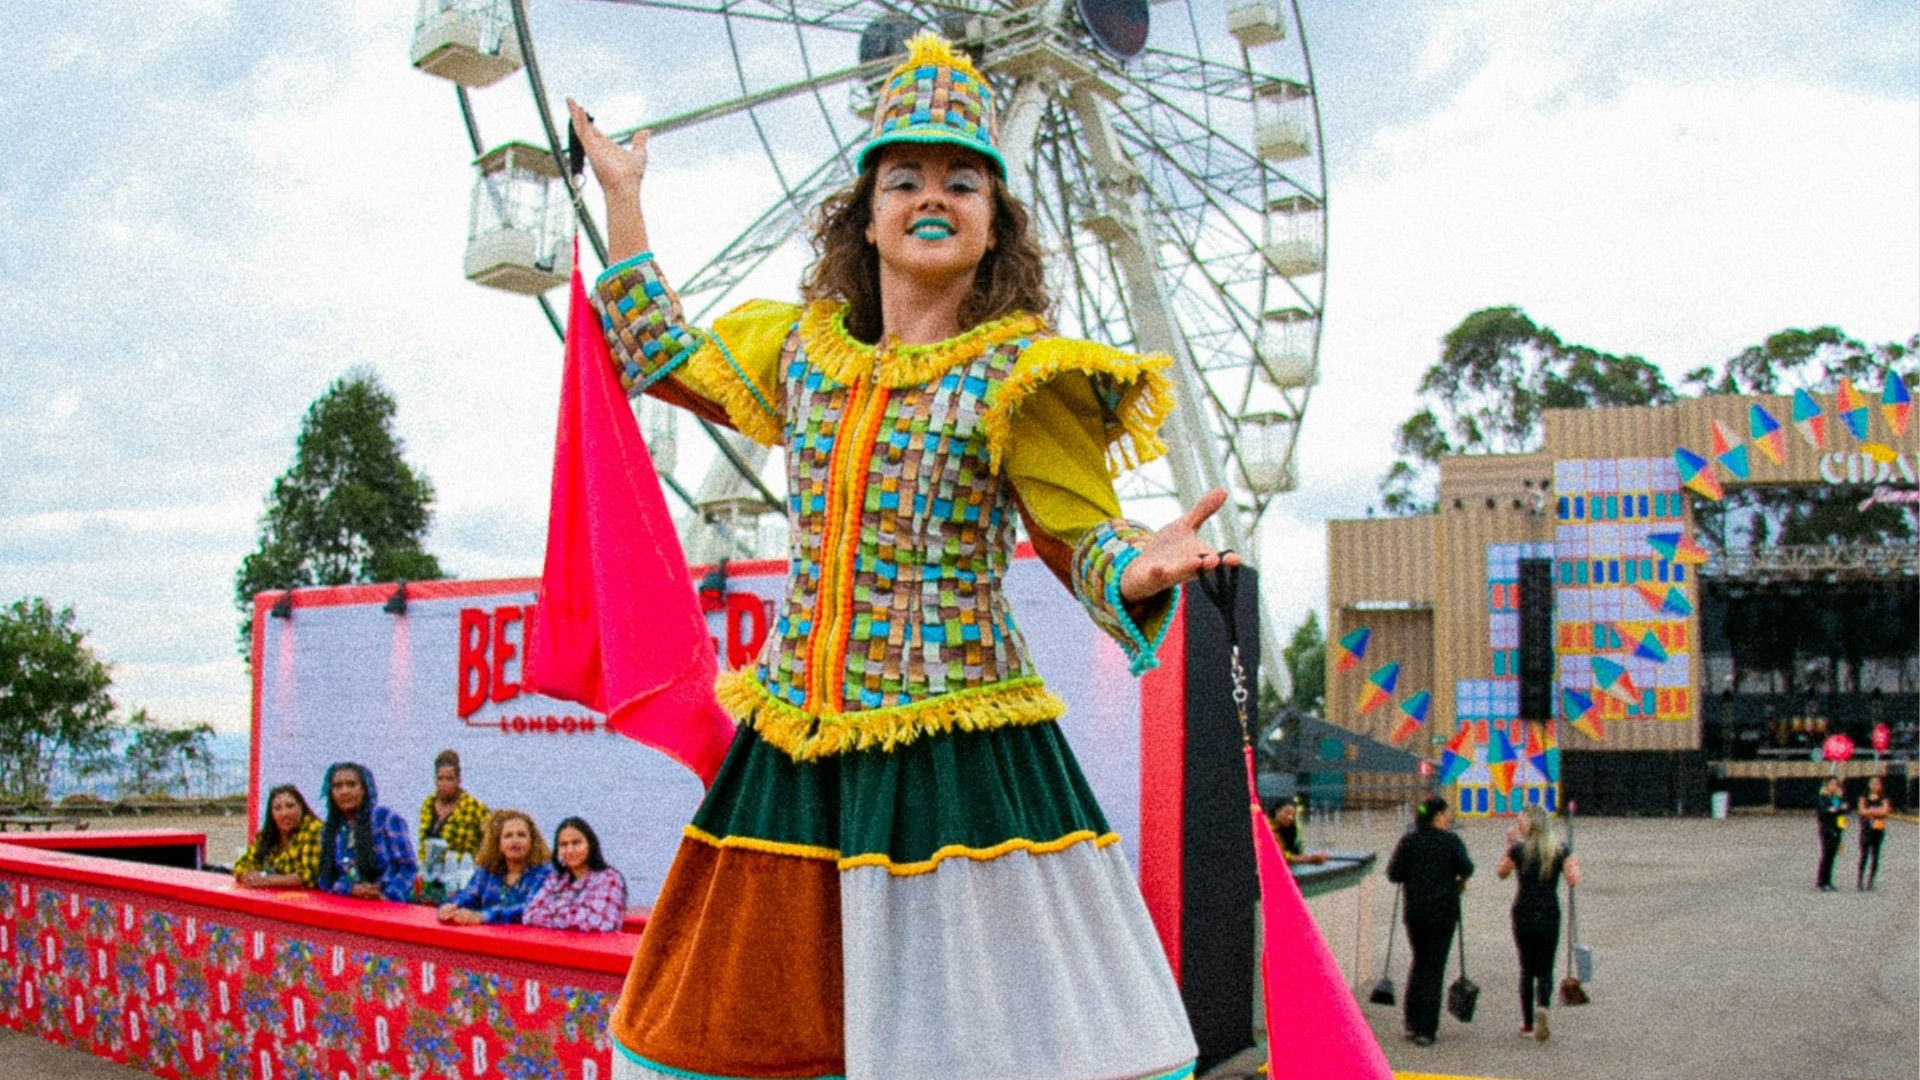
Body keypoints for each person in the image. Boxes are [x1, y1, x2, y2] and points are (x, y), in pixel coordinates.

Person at [566, 31, 1232, 1080]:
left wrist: (1134, 571)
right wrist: (624, 198)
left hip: (958, 754)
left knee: (976, 1039)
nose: (935, 197)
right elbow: (659, 354)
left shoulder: (1022, 373)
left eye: (963, 182)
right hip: (800, 752)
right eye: (907, 178)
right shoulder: (803, 355)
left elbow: (1078, 533)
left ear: (992, 226)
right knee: (755, 1029)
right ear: (867, 218)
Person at [1386, 795, 1474, 1047]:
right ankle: (1427, 1028)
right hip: (1443, 912)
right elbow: (1467, 867)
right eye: (1446, 815)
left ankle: (1412, 1021)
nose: (1449, 819)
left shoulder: (1409, 841)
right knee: (1434, 969)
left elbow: (1394, 874)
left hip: (1414, 913)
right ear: (1437, 817)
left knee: (1419, 963)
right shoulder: (1451, 842)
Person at [1496, 805, 1581, 1042]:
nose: (1519, 825)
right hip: (1549, 911)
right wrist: (1573, 863)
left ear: (1532, 824)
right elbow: (1573, 880)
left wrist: (1508, 846)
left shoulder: (1518, 850)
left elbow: (1501, 873)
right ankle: (1543, 1004)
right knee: (1545, 965)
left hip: (1523, 910)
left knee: (1526, 967)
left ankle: (1527, 1023)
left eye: (1521, 821)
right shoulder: (1559, 850)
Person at [316, 762, 418, 903]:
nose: (344, 791)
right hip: (348, 906)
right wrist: (350, 889)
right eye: (338, 786)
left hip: (390, 906)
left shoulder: (385, 818)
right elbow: (325, 879)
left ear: (364, 790)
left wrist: (386, 896)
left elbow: (408, 868)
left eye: (351, 785)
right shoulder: (329, 830)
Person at [437, 809, 553, 926]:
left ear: (532, 841)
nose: (515, 840)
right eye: (508, 836)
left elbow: (530, 908)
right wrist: (452, 906)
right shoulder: (487, 870)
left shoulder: (545, 873)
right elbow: (469, 895)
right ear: (498, 843)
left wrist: (483, 916)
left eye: (521, 835)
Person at [524, 816, 629, 933]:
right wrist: (576, 913)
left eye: (576, 843)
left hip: (595, 949)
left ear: (590, 844)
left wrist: (553, 909)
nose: (570, 850)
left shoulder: (609, 879)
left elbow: (598, 923)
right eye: (564, 845)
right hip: (557, 947)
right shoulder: (555, 879)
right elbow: (530, 915)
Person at [232, 783, 323, 889]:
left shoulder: (313, 829)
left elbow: (309, 876)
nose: (284, 813)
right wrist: (249, 876)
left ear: (301, 807)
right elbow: (241, 865)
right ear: (271, 813)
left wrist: (268, 880)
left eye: (290, 806)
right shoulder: (267, 835)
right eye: (277, 808)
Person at [419, 749, 489, 864]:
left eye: (449, 779)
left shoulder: (474, 808)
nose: (444, 784)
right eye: (440, 779)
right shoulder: (428, 804)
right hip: (429, 872)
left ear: (459, 780)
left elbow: (491, 842)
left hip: (460, 874)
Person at [1856, 774, 1891, 891]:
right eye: (1873, 783)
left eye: (1877, 783)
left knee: (1875, 855)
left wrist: (1871, 811)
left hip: (1878, 829)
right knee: (1864, 855)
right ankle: (1860, 880)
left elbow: (1885, 811)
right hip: (1866, 829)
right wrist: (1875, 811)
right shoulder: (1864, 797)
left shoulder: (1883, 797)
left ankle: (1871, 881)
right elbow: (1861, 811)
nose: (1875, 785)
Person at [1269, 799, 1328, 865]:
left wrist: (1311, 858)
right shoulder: (1266, 826)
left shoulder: (1294, 827)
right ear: (1277, 811)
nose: (1290, 818)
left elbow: (1296, 852)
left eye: (1293, 815)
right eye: (1287, 813)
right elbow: (1278, 856)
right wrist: (1309, 859)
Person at [1815, 776, 1848, 892]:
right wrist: (1834, 810)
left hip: (1837, 827)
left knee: (1833, 854)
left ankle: (1828, 880)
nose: (1834, 787)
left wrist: (1839, 810)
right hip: (1827, 828)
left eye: (1836, 784)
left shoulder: (1838, 798)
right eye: (1831, 784)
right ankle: (1821, 881)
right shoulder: (1823, 798)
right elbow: (1824, 811)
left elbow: (1843, 810)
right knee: (1826, 854)